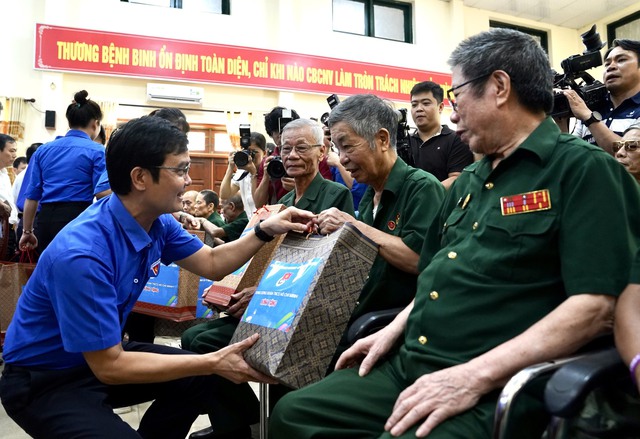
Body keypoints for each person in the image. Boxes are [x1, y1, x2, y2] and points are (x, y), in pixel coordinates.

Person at [269, 28, 640, 439]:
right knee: (294, 414)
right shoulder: (468, 183)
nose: (453, 112)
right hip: (411, 361)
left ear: (499, 87)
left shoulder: (583, 171)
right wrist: (390, 331)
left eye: (456, 94)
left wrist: (473, 377)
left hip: (492, 380)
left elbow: (597, 307)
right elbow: (435, 275)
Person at [0, 115, 316, 439]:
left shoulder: (157, 223)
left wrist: (263, 230)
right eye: (180, 170)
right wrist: (212, 361)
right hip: (45, 379)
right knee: (203, 366)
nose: (189, 181)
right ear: (140, 177)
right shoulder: (83, 255)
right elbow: (110, 366)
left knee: (197, 376)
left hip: (93, 361)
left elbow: (211, 262)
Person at [182, 117, 356, 439]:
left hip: (299, 310)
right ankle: (240, 421)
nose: (290, 155)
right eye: (285, 148)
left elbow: (321, 266)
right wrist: (245, 290)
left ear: (322, 152)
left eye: (301, 148)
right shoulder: (283, 204)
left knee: (203, 342)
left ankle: (245, 424)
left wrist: (259, 294)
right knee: (194, 339)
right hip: (269, 301)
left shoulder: (335, 196)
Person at [20, 90, 105, 254]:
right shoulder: (97, 151)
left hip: (44, 221)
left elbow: (31, 196)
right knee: (72, 273)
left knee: (46, 272)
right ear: (95, 123)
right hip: (77, 220)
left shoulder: (43, 150)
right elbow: (102, 193)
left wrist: (27, 231)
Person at [556, 39, 640, 154]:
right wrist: (561, 123)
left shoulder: (586, 113)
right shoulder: (590, 108)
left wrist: (589, 118)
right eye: (607, 64)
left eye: (621, 60)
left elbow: (629, 154)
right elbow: (572, 155)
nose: (611, 67)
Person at [408, 81, 474, 188]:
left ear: (440, 107)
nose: (419, 109)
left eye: (426, 103)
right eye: (414, 105)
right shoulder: (404, 142)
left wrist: (421, 195)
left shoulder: (456, 139)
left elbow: (457, 179)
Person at [219, 131, 266, 218]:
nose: (250, 156)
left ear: (264, 153)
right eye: (247, 152)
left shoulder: (267, 172)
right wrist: (230, 167)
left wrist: (253, 173)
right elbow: (224, 195)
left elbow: (259, 204)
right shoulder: (242, 172)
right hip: (251, 222)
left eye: (254, 152)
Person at [323, 124, 368, 211]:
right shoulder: (333, 160)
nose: (343, 158)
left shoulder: (356, 159)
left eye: (346, 146)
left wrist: (338, 164)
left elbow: (358, 188)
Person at [13, 143, 42, 244]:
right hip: (34, 220)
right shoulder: (34, 172)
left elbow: (15, 198)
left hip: (25, 220)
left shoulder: (22, 174)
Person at [0, 134, 18, 259]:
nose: (14, 155)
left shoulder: (5, 174)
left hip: (9, 229)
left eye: (15, 151)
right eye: (11, 151)